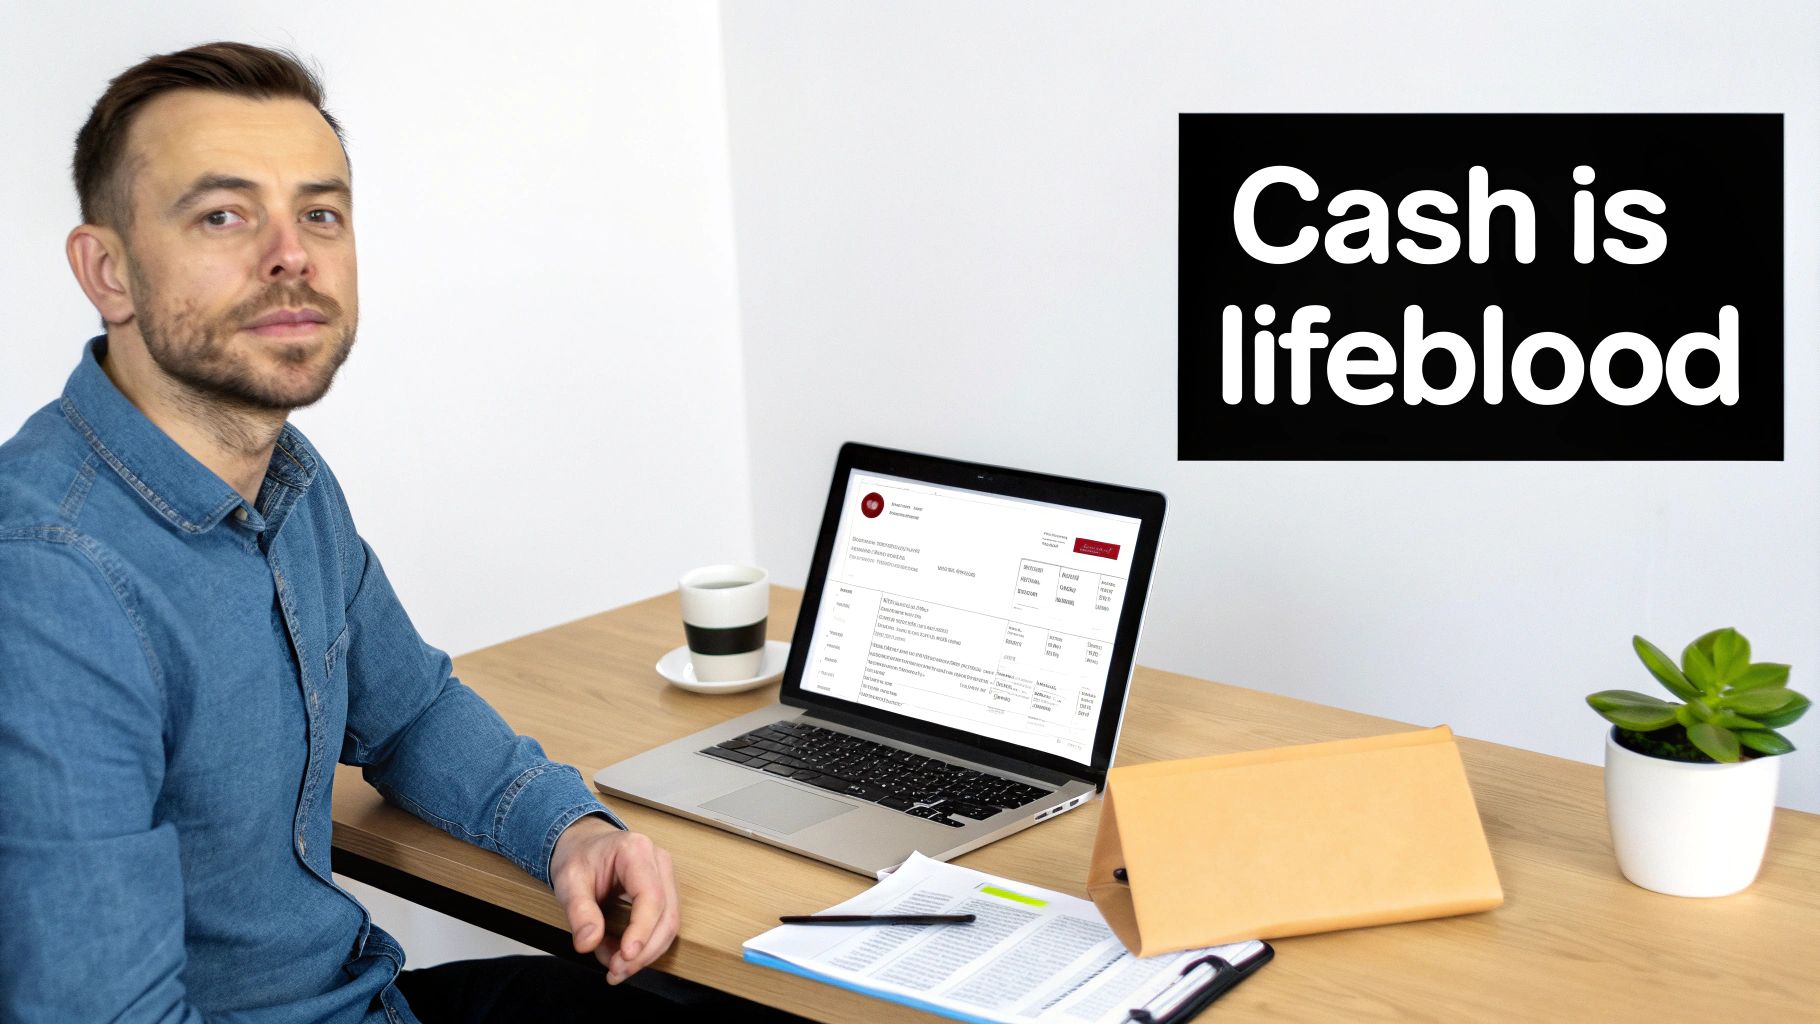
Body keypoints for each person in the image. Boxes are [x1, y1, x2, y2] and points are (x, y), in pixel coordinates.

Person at [0, 42, 705, 1024]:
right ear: (106, 271)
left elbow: (410, 712)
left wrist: (571, 830)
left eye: (319, 213)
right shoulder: (48, 578)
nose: (290, 254)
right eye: (224, 214)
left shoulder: (285, 479)